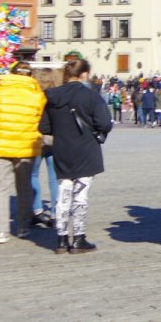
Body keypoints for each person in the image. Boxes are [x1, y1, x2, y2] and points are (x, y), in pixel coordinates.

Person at [40, 57, 113, 253]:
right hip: (85, 149)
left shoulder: (52, 97)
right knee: (80, 196)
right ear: (84, 74)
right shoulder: (90, 96)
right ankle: (79, 238)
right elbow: (105, 123)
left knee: (63, 194)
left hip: (62, 150)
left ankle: (61, 238)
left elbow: (44, 127)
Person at [0, 59, 46, 242]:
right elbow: (42, 119)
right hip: (26, 146)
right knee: (24, 188)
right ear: (30, 75)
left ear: (12, 72)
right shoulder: (36, 92)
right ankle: (23, 227)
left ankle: (1, 232)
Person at [29, 66, 62, 229]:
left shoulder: (32, 96)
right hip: (53, 138)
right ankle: (56, 212)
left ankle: (37, 210)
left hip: (35, 138)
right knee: (54, 177)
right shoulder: (57, 96)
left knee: (33, 174)